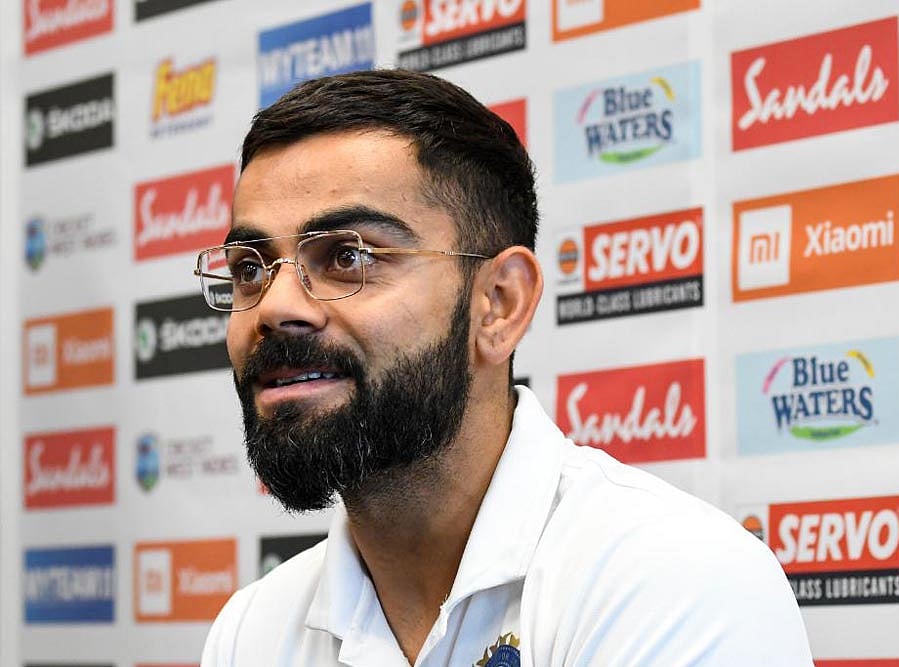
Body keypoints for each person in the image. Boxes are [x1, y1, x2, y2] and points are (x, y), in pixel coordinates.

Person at [199, 69, 813, 666]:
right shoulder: (251, 631)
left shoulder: (674, 580)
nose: (273, 307)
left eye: (348, 256)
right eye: (250, 268)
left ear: (499, 304)